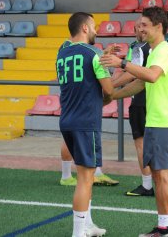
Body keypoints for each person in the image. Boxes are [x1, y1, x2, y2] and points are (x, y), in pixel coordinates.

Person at [100, 7, 168, 236]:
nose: (139, 28)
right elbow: (145, 82)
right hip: (165, 121)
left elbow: (152, 75)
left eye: (144, 24)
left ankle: (163, 229)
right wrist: (113, 96)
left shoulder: (163, 51)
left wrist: (122, 63)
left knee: (160, 175)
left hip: (162, 122)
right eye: (139, 24)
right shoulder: (159, 51)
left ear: (158, 27)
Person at [56, 12, 113, 237]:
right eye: (94, 26)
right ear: (85, 28)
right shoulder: (94, 54)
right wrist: (105, 98)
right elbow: (108, 90)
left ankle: (87, 225)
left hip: (67, 119)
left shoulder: (61, 54)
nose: (96, 30)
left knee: (83, 175)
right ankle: (78, 233)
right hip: (86, 121)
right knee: (86, 178)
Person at [112, 17, 154, 196]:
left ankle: (147, 185)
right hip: (159, 100)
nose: (139, 30)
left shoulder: (139, 48)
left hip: (141, 100)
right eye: (138, 27)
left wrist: (109, 87)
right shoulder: (165, 48)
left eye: (142, 27)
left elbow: (131, 73)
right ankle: (161, 182)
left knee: (141, 143)